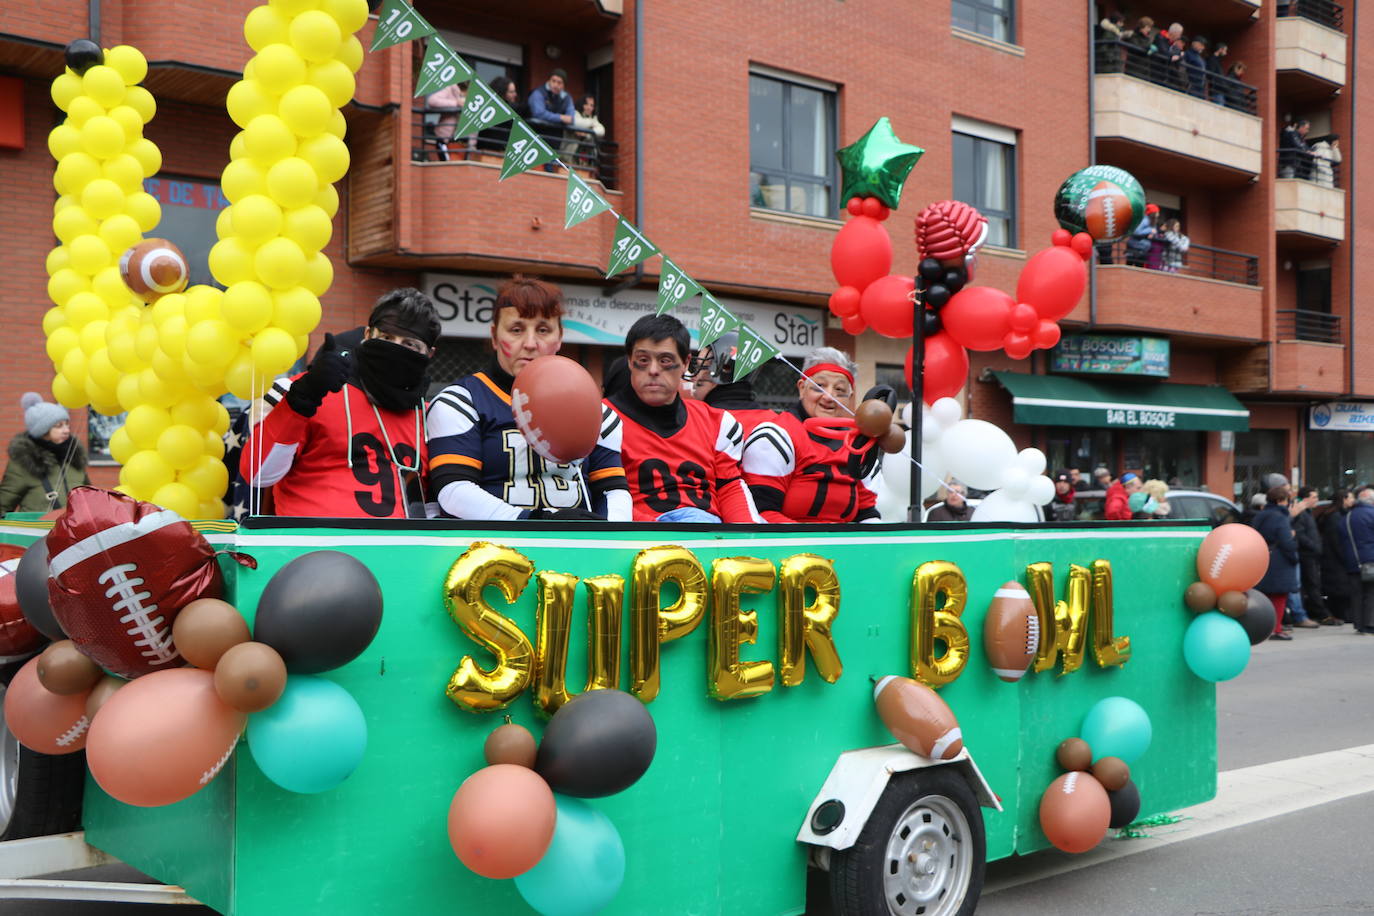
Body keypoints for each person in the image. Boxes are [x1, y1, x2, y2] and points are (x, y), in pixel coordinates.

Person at [426, 277, 629, 521]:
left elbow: (613, 491)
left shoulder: (597, 412)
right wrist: (534, 522)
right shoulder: (461, 401)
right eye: (516, 330)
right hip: (490, 549)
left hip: (575, 547)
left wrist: (609, 532)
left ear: (560, 337)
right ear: (494, 336)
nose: (531, 344)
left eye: (543, 330)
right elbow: (453, 492)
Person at [240, 288, 440, 518]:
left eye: (410, 344)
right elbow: (257, 475)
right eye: (386, 338)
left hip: (401, 549)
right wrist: (301, 399)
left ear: (429, 354)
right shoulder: (309, 390)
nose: (395, 348)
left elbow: (432, 506)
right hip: (319, 548)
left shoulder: (431, 415)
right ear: (367, 334)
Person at [606, 315, 761, 523]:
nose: (653, 370)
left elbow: (730, 488)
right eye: (643, 360)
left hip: (712, 534)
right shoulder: (603, 417)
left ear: (685, 363)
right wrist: (663, 533)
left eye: (665, 361)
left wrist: (746, 540)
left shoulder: (716, 421)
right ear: (630, 362)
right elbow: (603, 494)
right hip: (644, 537)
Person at [741, 347, 882, 524]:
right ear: (802, 388)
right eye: (819, 386)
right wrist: (813, 544)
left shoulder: (859, 445)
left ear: (851, 396)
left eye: (840, 390)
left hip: (843, 546)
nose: (830, 397)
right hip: (789, 547)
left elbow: (868, 515)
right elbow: (761, 513)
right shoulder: (776, 435)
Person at [0, 393, 90, 513]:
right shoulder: (23, 463)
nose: (66, 430)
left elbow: (90, 498)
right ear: (42, 430)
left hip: (75, 531)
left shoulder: (74, 458)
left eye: (67, 424)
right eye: (59, 426)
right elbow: (3, 506)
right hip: (38, 531)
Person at [688, 331, 775, 435]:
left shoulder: (697, 420)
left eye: (700, 367)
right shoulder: (774, 421)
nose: (694, 377)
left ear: (719, 372)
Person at [1252, 485, 1300, 640]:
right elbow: (1287, 543)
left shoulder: (1260, 515)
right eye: (1287, 500)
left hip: (1261, 557)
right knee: (1279, 598)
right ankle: (1276, 629)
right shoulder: (1281, 517)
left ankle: (1261, 629)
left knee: (1263, 597)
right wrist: (1294, 551)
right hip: (1279, 561)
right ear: (1281, 501)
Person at [1292, 486, 1338, 624]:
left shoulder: (1307, 513)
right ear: (1305, 498)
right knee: (1311, 584)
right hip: (1306, 554)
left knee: (1311, 585)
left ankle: (1315, 612)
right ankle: (1322, 614)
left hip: (1311, 554)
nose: (1317, 500)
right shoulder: (1300, 513)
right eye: (1314, 497)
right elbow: (1300, 534)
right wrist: (1314, 547)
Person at [1336, 486, 1374, 634]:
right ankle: (1370, 623)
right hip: (1371, 559)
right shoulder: (1372, 514)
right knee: (1371, 593)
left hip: (1352, 561)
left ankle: (1359, 625)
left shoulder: (1346, 517)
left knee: (1357, 594)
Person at [1318, 489, 1355, 624]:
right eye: (1351, 498)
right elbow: (1336, 541)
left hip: (1332, 560)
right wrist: (1346, 557)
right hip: (1334, 560)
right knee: (1340, 589)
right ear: (1344, 499)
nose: (1353, 500)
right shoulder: (1335, 517)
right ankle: (1342, 614)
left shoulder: (1335, 515)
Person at [528, 68, 575, 164]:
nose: (556, 85)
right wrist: (560, 118)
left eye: (559, 82)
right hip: (536, 141)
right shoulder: (538, 93)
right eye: (553, 81)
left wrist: (551, 117)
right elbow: (539, 113)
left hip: (555, 144)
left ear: (564, 85)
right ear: (548, 81)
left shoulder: (566, 97)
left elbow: (570, 118)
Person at [478, 76, 524, 154]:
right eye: (511, 92)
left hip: (502, 150)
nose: (515, 94)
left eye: (514, 91)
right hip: (489, 149)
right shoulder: (492, 106)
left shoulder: (510, 107)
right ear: (502, 92)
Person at [425, 82, 469, 162]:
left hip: (461, 140)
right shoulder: (451, 89)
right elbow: (432, 101)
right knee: (447, 164)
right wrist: (455, 103)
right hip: (444, 137)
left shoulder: (472, 96)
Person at [560, 94, 605, 167]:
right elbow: (576, 123)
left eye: (592, 105)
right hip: (568, 158)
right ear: (581, 104)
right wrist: (591, 125)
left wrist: (587, 134)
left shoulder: (593, 119)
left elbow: (601, 131)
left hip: (585, 161)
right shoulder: (574, 114)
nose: (589, 108)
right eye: (586, 104)